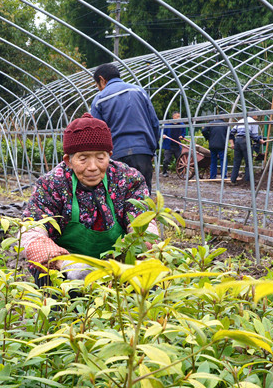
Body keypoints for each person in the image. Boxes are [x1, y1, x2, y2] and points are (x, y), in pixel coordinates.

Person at [20, 113, 157, 283]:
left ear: (109, 155)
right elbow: (30, 233)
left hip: (117, 265)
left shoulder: (128, 179)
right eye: (83, 159)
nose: (93, 167)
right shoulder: (52, 184)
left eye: (100, 157)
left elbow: (144, 226)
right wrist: (66, 264)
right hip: (66, 268)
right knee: (47, 276)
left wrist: (127, 260)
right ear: (68, 161)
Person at [90, 63, 160, 191]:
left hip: (116, 156)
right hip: (143, 152)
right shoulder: (139, 91)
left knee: (119, 197)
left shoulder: (99, 99)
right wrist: (152, 148)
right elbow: (154, 123)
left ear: (102, 79)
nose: (98, 88)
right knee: (143, 196)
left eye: (97, 85)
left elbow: (97, 134)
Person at [229, 116, 263, 185]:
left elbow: (231, 133)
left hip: (237, 141)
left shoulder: (240, 120)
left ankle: (233, 180)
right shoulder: (253, 122)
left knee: (236, 162)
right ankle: (247, 181)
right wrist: (260, 141)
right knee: (248, 162)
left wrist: (232, 143)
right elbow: (254, 136)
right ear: (254, 115)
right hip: (245, 141)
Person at [160, 111, 186, 176]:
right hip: (169, 145)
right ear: (173, 117)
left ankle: (181, 173)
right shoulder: (167, 124)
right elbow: (161, 132)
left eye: (179, 116)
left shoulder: (182, 125)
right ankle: (164, 172)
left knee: (180, 160)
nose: (179, 118)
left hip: (177, 145)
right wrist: (163, 135)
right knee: (166, 160)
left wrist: (182, 136)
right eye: (177, 116)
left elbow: (183, 133)